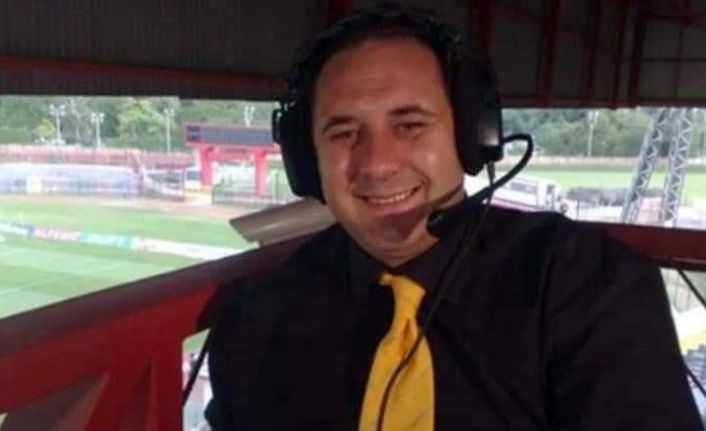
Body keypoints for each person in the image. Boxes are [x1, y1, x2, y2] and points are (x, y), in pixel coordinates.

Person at [205, 5, 702, 430]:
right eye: (344, 133)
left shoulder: (586, 285)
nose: (377, 164)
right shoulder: (256, 319)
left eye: (409, 125)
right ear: (305, 158)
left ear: (471, 135)